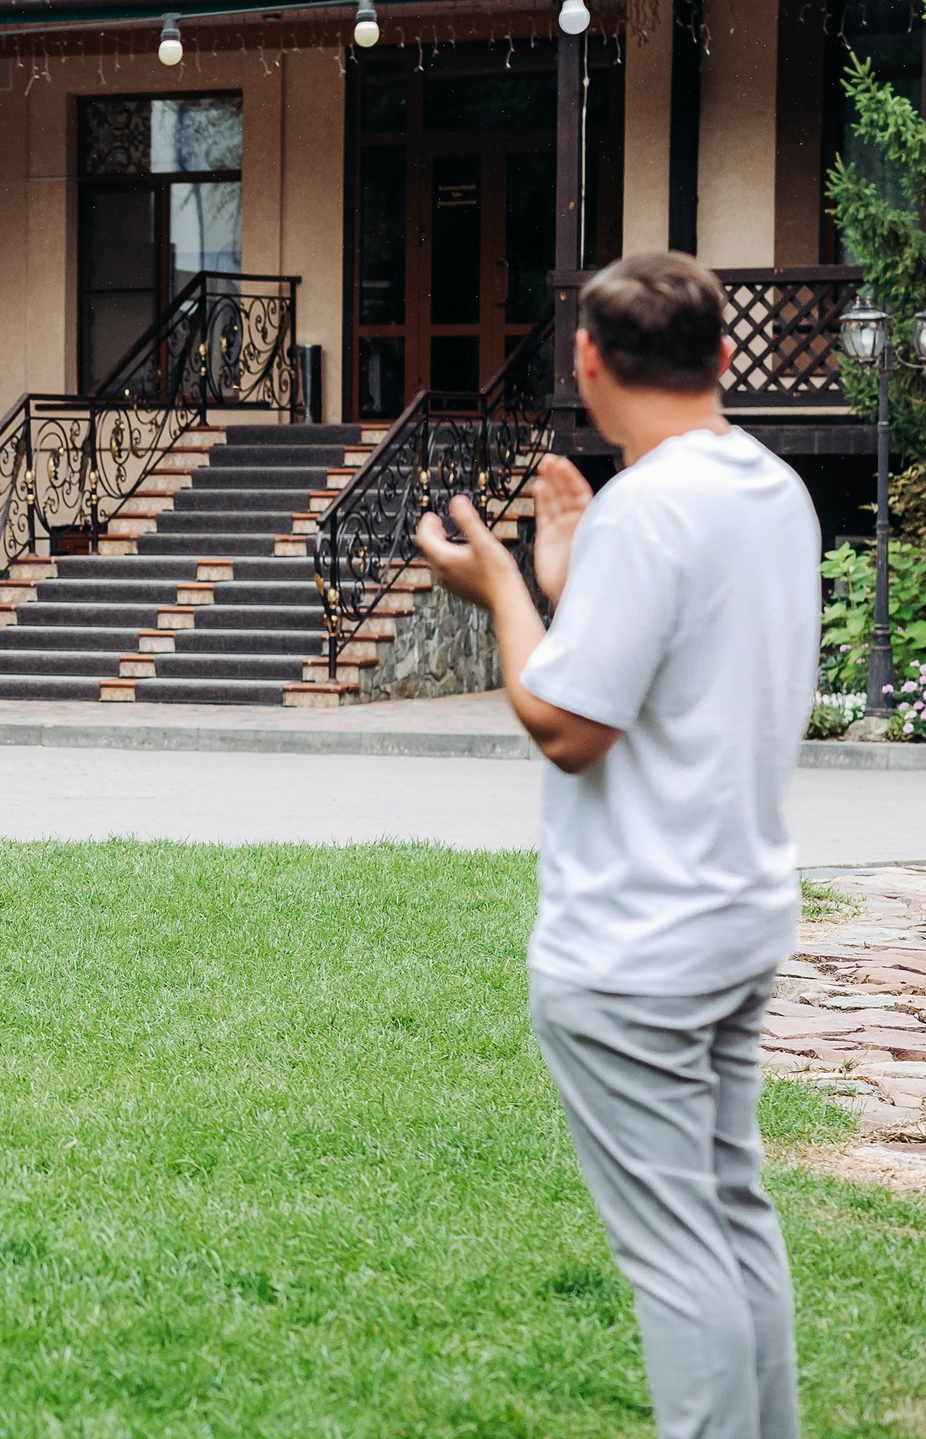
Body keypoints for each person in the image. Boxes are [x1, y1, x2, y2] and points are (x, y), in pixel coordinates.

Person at [416, 249, 818, 1439]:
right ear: (726, 357)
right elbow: (669, 660)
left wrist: (499, 588)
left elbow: (566, 724)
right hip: (736, 914)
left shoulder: (652, 506)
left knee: (673, 1253)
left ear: (587, 360)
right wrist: (568, 573)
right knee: (732, 1212)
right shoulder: (770, 487)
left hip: (637, 943)